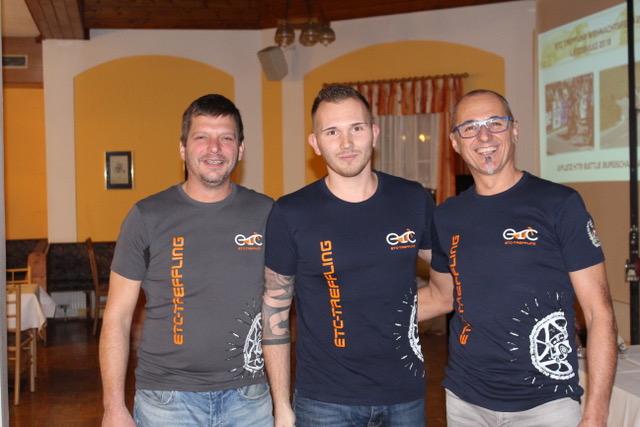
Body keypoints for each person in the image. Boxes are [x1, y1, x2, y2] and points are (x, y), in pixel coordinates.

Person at [428, 89, 618, 426]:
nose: (484, 136)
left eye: (495, 123)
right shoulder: (447, 216)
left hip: (546, 405)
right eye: (469, 127)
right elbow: (441, 297)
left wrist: (597, 412)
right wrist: (363, 312)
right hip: (464, 402)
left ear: (514, 130)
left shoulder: (559, 204)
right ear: (455, 143)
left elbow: (598, 311)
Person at [261, 84, 436, 427]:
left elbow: (453, 273)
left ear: (374, 133)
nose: (346, 143)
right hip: (324, 402)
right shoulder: (290, 212)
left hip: (404, 395)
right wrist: (281, 405)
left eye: (356, 128)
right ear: (315, 143)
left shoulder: (412, 199)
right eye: (332, 132)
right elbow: (274, 313)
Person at [99, 94, 274, 427]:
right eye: (201, 137)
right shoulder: (147, 216)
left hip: (248, 399)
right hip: (166, 401)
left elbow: (286, 306)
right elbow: (117, 317)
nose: (214, 148)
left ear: (240, 149)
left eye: (226, 138)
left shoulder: (267, 214)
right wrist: (113, 407)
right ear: (182, 148)